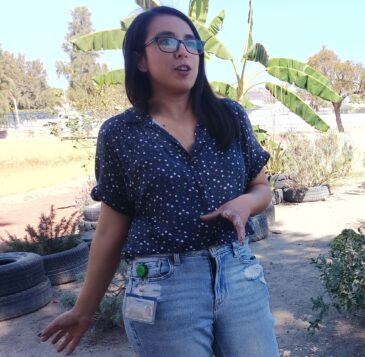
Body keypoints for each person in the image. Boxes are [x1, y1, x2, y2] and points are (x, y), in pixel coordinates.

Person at [39, 6, 279, 356]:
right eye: (166, 41)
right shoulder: (120, 134)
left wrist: (245, 203)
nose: (183, 51)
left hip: (239, 273)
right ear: (140, 61)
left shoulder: (229, 116)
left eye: (190, 43)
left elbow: (261, 188)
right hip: (165, 289)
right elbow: (109, 232)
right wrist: (85, 309)